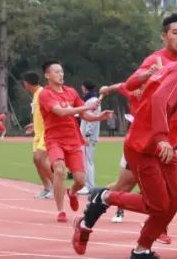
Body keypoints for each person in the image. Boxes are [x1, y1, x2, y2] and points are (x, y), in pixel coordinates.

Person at [73, 30, 177, 259]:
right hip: (145, 146)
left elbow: (129, 84)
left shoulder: (171, 67)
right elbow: (159, 100)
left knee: (174, 198)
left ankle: (142, 251)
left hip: (159, 144)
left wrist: (147, 76)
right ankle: (103, 196)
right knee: (157, 205)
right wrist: (161, 138)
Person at [98, 13, 177, 241]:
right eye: (175, 33)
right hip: (146, 135)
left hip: (170, 134)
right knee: (124, 185)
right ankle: (95, 205)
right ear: (164, 36)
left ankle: (159, 222)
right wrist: (139, 79)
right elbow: (133, 84)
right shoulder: (156, 61)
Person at [38, 61, 112, 222]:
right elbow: (61, 112)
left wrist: (99, 116)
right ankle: (60, 211)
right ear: (47, 75)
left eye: (62, 71)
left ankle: (71, 193)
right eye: (56, 72)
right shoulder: (45, 94)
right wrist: (86, 107)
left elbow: (84, 116)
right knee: (59, 169)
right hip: (54, 139)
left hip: (73, 139)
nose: (61, 74)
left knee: (80, 180)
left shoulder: (71, 92)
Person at [21, 72, 53, 198]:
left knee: (40, 158)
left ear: (27, 83)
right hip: (38, 134)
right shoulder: (35, 95)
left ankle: (56, 188)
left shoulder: (42, 93)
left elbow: (50, 111)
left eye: (24, 82)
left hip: (46, 132)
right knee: (36, 160)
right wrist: (34, 125)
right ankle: (47, 187)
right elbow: (40, 114)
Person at [79, 81, 101, 191]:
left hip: (88, 137)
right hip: (87, 135)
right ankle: (88, 185)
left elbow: (92, 120)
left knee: (87, 162)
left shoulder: (93, 101)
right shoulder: (89, 100)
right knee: (87, 161)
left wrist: (87, 134)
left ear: (85, 88)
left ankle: (89, 186)